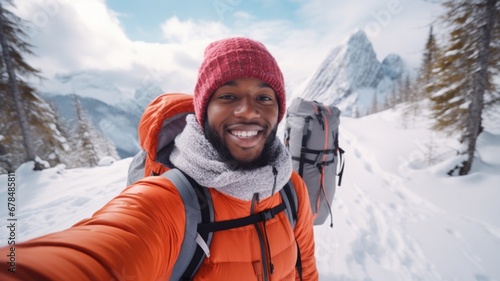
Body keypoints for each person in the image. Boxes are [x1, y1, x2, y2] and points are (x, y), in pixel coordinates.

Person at [0, 37, 318, 281]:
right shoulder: (168, 202)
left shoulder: (291, 188)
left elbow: (306, 271)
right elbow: (96, 252)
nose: (248, 111)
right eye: (228, 96)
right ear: (203, 111)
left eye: (264, 97)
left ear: (278, 112)